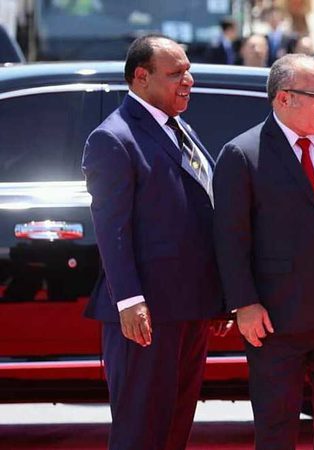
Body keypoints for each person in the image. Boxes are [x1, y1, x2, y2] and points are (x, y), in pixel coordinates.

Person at [213, 54, 314, 449]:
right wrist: (245, 304)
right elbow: (230, 239)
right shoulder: (242, 154)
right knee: (276, 428)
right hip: (275, 319)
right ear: (284, 98)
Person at [82, 35, 224, 450]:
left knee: (174, 429)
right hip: (146, 314)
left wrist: (216, 296)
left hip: (189, 308)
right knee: (141, 431)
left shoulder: (180, 127)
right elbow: (112, 227)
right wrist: (129, 300)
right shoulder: (114, 137)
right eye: (176, 73)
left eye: (188, 70)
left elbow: (202, 211)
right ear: (141, 77)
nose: (188, 81)